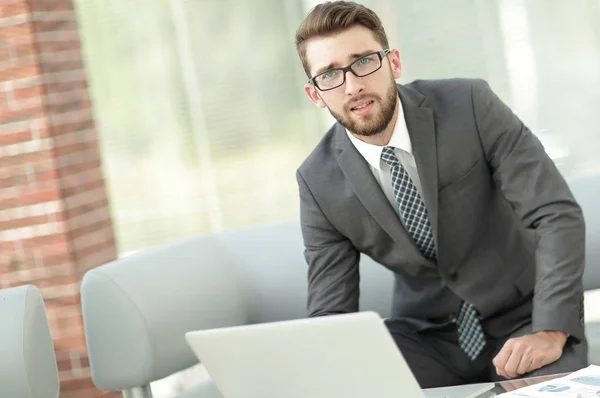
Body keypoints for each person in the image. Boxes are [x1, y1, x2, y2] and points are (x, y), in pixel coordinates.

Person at [294, 0, 587, 388]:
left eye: (364, 61)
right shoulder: (317, 181)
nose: (353, 85)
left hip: (525, 315)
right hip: (425, 336)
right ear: (315, 94)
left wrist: (550, 329)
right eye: (330, 75)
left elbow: (555, 214)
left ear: (393, 63)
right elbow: (331, 311)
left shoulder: (470, 105)